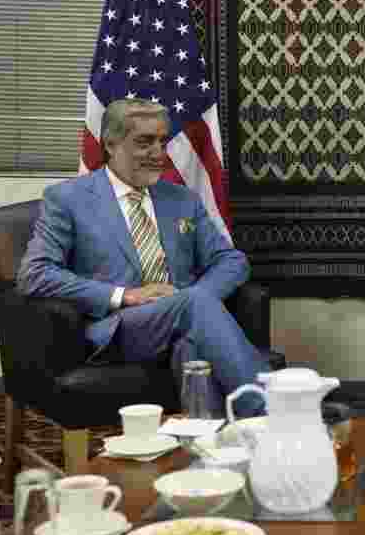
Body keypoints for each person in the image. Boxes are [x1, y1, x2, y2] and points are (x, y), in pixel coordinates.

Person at [17, 98, 270, 417]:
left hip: (184, 318)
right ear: (110, 144)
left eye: (162, 141)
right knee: (194, 309)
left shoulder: (182, 199)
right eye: (144, 142)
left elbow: (231, 261)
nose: (158, 153)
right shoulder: (68, 199)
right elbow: (35, 273)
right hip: (117, 328)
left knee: (192, 347)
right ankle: (271, 414)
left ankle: (210, 438)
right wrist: (126, 296)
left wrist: (191, 300)